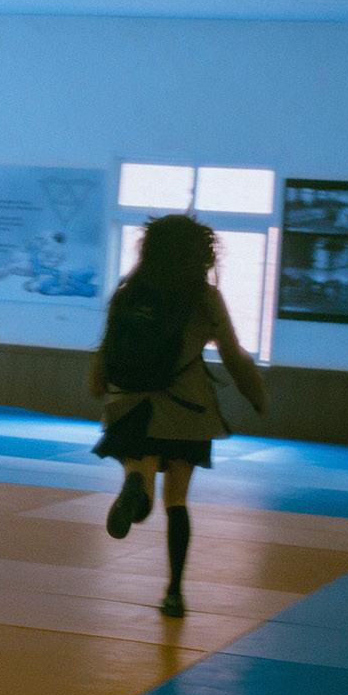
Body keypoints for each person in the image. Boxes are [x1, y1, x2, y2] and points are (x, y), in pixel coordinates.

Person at [91, 213, 268, 617]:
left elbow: (105, 348)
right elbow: (233, 354)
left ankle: (136, 484)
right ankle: (173, 592)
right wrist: (255, 394)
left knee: (141, 470)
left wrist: (98, 384)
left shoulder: (129, 292)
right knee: (177, 501)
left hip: (131, 404)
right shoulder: (204, 297)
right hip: (187, 409)